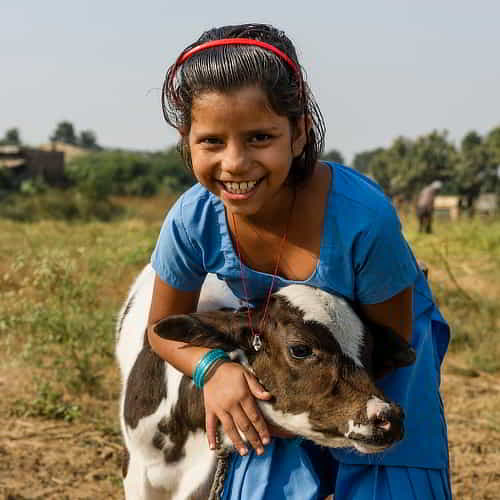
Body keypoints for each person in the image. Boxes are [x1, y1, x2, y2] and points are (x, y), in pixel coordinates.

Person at [147, 23, 452, 499]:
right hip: (285, 357)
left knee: (388, 473)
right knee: (267, 483)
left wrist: (325, 416)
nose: (235, 163)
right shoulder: (192, 220)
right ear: (186, 140)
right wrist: (215, 370)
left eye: (259, 137)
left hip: (376, 356)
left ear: (298, 134)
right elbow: (162, 328)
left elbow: (388, 347)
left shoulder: (362, 220)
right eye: (211, 141)